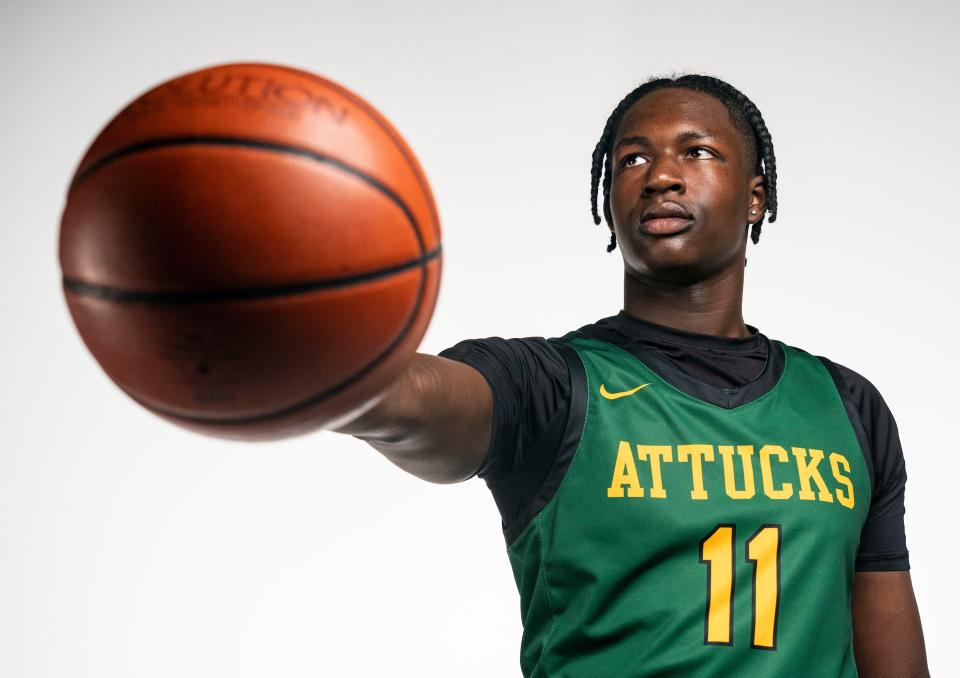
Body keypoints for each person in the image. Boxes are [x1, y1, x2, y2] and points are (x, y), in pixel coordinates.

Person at [332, 73, 928, 677]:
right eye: (632, 159)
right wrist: (315, 363)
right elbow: (417, 399)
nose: (659, 176)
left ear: (756, 197)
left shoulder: (845, 405)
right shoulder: (551, 385)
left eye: (696, 152)